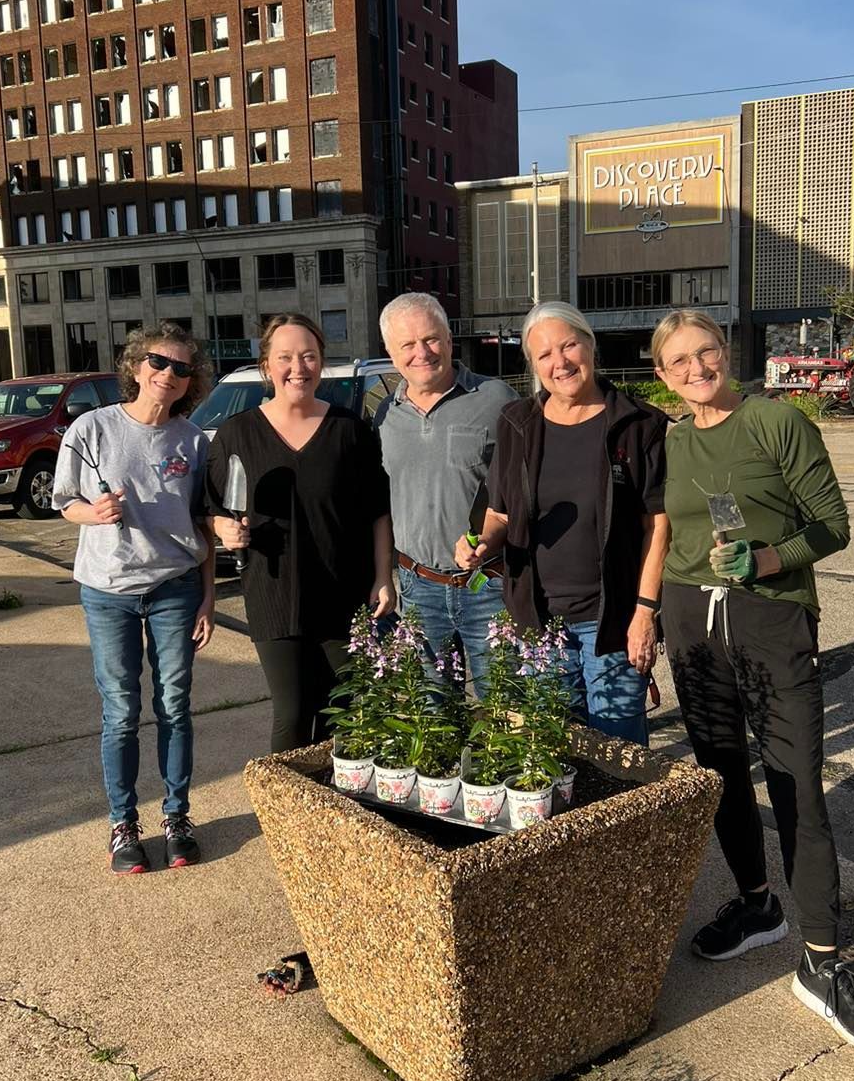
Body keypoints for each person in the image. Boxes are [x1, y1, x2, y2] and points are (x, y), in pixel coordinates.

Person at [652, 308, 854, 1052]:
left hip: (772, 616)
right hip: (692, 619)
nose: (697, 369)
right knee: (721, 774)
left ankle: (822, 963)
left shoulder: (776, 423)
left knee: (796, 785)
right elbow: (667, 530)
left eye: (707, 352)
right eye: (680, 361)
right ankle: (759, 907)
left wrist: (762, 560)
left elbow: (831, 523)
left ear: (726, 352)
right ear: (662, 374)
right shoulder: (672, 440)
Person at [455, 302, 669, 744]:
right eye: (545, 354)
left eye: (569, 345)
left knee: (619, 749)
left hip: (612, 620)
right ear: (533, 365)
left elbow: (657, 525)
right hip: (539, 621)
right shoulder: (518, 424)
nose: (560, 362)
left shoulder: (637, 423)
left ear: (589, 344)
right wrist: (481, 545)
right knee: (555, 748)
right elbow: (499, 513)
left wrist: (645, 612)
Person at [52, 322, 215, 875]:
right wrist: (91, 514)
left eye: (181, 368)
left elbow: (204, 526)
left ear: (191, 380)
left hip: (175, 587)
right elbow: (64, 502)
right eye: (158, 362)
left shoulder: (194, 441)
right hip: (107, 591)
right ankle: (124, 825)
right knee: (121, 710)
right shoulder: (91, 429)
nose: (167, 374)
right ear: (136, 365)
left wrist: (208, 598)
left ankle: (177, 818)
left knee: (174, 704)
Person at [207, 314, 394, 753]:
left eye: (309, 356)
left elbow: (378, 512)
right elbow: (209, 508)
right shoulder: (238, 433)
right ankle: (288, 814)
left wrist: (383, 576)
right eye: (286, 357)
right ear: (267, 367)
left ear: (321, 362)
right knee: (292, 712)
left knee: (348, 710)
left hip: (343, 593)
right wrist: (223, 529)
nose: (299, 367)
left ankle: (341, 812)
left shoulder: (349, 430)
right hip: (273, 594)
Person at [374, 292, 517, 694]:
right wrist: (383, 575)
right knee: (433, 713)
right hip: (418, 588)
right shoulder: (385, 415)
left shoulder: (497, 400)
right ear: (390, 352)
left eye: (431, 339)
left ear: (449, 339)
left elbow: (520, 491)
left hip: (488, 585)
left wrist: (489, 539)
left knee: (504, 711)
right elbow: (380, 505)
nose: (422, 352)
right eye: (407, 344)